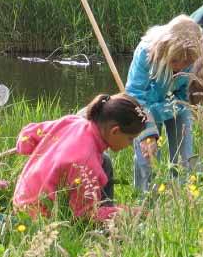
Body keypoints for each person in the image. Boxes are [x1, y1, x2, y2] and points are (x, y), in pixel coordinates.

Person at [13, 93, 146, 222]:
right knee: (96, 219)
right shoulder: (86, 162)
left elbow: (27, 134)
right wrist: (128, 212)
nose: (130, 145)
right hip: (38, 216)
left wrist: (35, 150)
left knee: (105, 160)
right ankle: (107, 225)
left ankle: (104, 207)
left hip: (21, 198)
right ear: (115, 131)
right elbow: (85, 214)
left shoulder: (73, 121)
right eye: (130, 139)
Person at [125, 15, 203, 192]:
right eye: (175, 60)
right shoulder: (146, 52)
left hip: (177, 106)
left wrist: (166, 110)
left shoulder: (194, 60)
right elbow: (135, 95)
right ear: (165, 47)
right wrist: (149, 132)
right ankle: (146, 200)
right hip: (143, 108)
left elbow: (187, 96)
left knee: (184, 156)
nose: (180, 66)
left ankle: (182, 196)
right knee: (147, 156)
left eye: (187, 63)